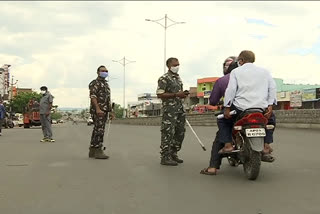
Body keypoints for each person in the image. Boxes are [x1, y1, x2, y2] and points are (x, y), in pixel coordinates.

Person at [220, 50, 277, 157]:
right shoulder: (265, 72)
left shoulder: (236, 72)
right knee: (271, 121)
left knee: (223, 120)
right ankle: (266, 145)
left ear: (241, 61)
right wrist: (270, 105)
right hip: (261, 108)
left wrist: (227, 107)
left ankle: (227, 145)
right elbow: (272, 88)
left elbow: (231, 90)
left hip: (241, 108)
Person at [156, 57, 189, 166]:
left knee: (180, 132)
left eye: (178, 64)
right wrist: (175, 95)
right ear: (169, 66)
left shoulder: (178, 78)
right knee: (168, 132)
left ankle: (173, 153)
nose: (177, 67)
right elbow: (160, 94)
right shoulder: (164, 78)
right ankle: (165, 156)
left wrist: (183, 94)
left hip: (179, 109)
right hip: (169, 110)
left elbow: (179, 94)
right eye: (175, 65)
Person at [88, 65, 113, 159]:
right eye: (102, 71)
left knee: (97, 129)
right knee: (99, 130)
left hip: (105, 110)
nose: (105, 72)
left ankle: (92, 150)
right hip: (98, 110)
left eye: (106, 71)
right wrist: (98, 109)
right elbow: (93, 96)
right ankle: (98, 150)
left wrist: (111, 111)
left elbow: (108, 99)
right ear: (98, 72)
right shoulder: (95, 83)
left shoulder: (106, 84)